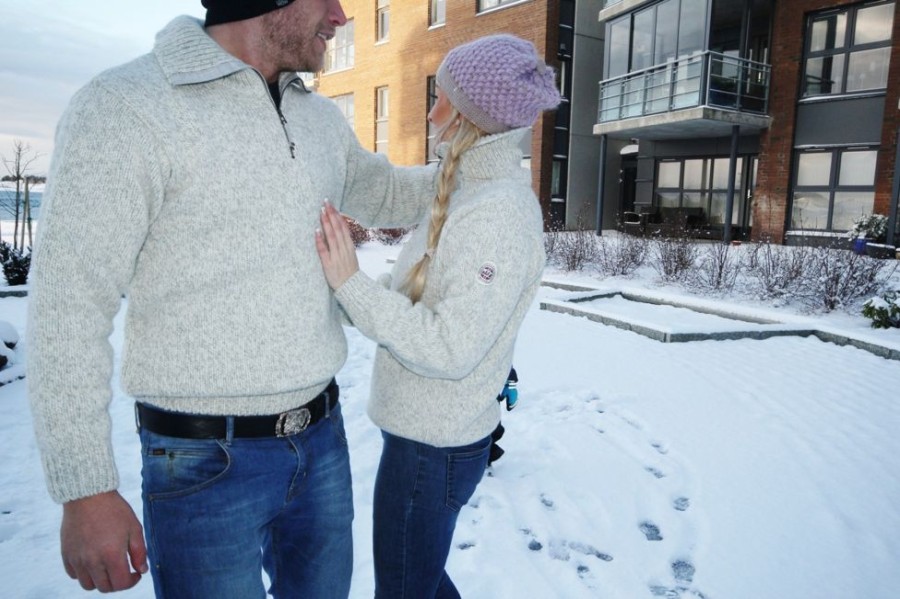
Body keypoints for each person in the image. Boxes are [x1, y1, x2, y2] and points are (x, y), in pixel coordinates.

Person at [27, 1, 437, 597]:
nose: (341, 15)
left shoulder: (317, 117)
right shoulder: (125, 107)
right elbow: (67, 307)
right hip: (201, 463)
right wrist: (85, 488)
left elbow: (388, 192)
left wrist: (483, 159)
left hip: (321, 442)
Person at [316, 34, 561, 598]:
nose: (431, 111)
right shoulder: (466, 187)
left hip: (433, 451)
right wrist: (342, 295)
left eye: (443, 97)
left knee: (404, 589)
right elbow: (414, 294)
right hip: (423, 442)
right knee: (417, 583)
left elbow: (449, 349)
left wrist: (350, 284)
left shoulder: (496, 215)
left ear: (475, 116)